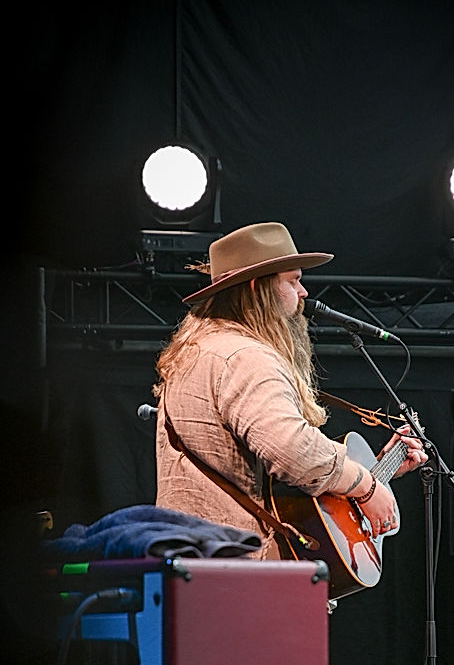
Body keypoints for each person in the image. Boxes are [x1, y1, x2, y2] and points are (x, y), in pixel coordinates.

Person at [152, 221, 428, 560]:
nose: (304, 293)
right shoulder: (245, 356)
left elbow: (271, 476)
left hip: (191, 555)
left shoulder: (200, 349)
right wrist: (367, 486)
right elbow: (293, 451)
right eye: (293, 281)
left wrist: (378, 470)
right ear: (258, 287)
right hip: (233, 562)